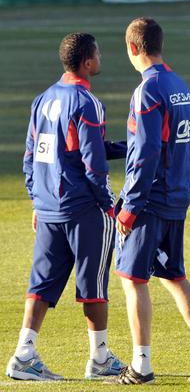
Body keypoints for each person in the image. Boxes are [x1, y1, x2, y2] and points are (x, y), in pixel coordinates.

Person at [6, 33, 126, 381]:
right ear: (88, 62)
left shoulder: (43, 98)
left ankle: (23, 355)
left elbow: (32, 155)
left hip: (49, 208)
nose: (101, 58)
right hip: (83, 208)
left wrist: (37, 199)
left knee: (41, 283)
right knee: (94, 285)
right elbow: (92, 162)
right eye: (98, 53)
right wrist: (107, 205)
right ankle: (100, 359)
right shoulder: (87, 102)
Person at [109, 17, 190, 385]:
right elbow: (162, 143)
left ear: (132, 48)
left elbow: (147, 152)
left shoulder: (148, 90)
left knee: (132, 279)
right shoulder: (179, 85)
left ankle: (141, 366)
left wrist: (130, 207)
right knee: (174, 276)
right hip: (176, 194)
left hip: (150, 200)